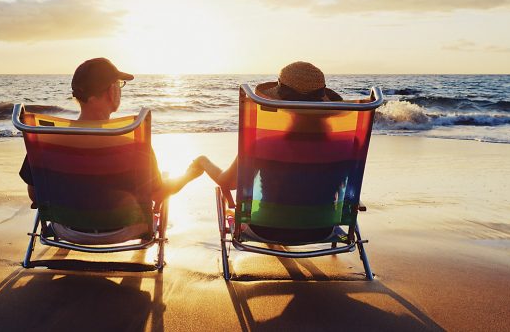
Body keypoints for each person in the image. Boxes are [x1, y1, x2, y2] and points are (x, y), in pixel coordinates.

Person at [20, 57, 203, 241]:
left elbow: (35, 194)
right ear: (112, 91)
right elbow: (158, 193)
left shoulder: (48, 140)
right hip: (125, 230)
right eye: (119, 85)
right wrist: (188, 176)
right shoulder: (133, 142)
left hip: (66, 229)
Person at [191, 61, 343, 243]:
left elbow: (228, 182)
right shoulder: (344, 147)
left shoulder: (263, 144)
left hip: (265, 229)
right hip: (322, 230)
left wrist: (204, 162)